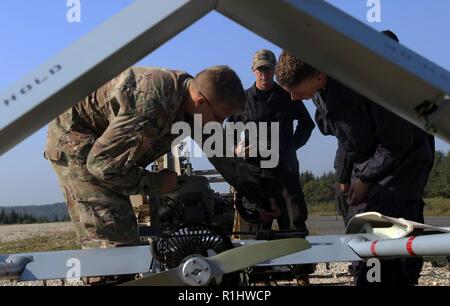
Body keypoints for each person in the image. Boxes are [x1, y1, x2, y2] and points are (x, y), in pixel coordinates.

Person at [44, 65, 279, 252]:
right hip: (76, 145)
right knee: (114, 243)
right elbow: (102, 165)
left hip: (106, 153)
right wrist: (157, 183)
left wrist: (260, 198)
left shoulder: (195, 106)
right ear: (200, 103)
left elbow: (223, 157)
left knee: (125, 243)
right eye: (220, 118)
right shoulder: (153, 103)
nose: (220, 125)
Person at [274, 31, 435, 286]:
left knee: (391, 225)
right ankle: (366, 276)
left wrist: (365, 177)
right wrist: (344, 175)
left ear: (317, 76)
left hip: (404, 160)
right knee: (357, 223)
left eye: (294, 91)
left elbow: (397, 143)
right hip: (368, 156)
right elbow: (346, 136)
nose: (293, 98)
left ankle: (398, 278)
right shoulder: (320, 87)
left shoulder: (368, 85)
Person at [230, 49, 315, 231]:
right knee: (258, 236)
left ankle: (301, 260)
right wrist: (237, 150)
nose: (264, 74)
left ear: (275, 70)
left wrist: (290, 146)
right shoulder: (243, 100)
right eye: (260, 70)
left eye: (268, 70)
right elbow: (230, 133)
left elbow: (307, 124)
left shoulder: (288, 96)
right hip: (256, 177)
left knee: (294, 229)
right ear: (253, 70)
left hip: (286, 175)